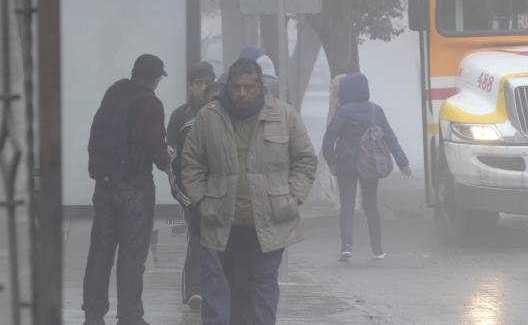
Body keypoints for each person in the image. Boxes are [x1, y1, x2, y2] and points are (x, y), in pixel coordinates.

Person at [181, 58, 318, 325]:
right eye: (236, 87)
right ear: (227, 88)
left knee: (263, 290)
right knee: (219, 294)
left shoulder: (284, 116)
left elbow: (305, 160)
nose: (242, 93)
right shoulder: (209, 117)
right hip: (221, 222)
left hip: (270, 223)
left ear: (260, 87)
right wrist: (201, 200)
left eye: (248, 86)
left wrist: (293, 197)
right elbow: (191, 163)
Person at [82, 54, 171, 325]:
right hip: (135, 187)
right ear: (155, 79)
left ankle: (94, 315)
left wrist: (100, 172)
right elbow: (154, 145)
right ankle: (130, 316)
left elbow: (95, 135)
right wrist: (168, 163)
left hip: (105, 186)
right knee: (132, 255)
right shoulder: (150, 103)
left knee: (100, 252)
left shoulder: (113, 94)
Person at [321, 72, 411, 262]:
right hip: (370, 163)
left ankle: (346, 247)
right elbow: (390, 138)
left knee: (347, 205)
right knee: (371, 206)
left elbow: (328, 142)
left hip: (345, 164)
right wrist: (403, 163)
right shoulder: (376, 111)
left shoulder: (342, 112)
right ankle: (377, 249)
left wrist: (332, 164)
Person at [165, 61, 217, 311]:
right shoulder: (180, 116)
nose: (203, 88)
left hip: (221, 191)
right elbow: (171, 160)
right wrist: (181, 194)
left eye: (208, 82)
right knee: (197, 236)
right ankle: (195, 289)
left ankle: (215, 288)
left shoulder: (223, 112)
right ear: (190, 86)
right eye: (199, 83)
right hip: (191, 192)